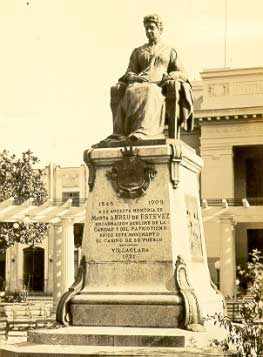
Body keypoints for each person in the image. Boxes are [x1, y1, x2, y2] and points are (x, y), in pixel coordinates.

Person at [106, 14, 193, 142]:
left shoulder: (169, 51)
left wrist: (173, 75)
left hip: (159, 86)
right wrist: (135, 78)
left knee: (150, 91)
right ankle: (119, 133)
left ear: (159, 29)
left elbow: (181, 72)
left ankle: (144, 131)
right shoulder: (138, 51)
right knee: (130, 91)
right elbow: (129, 71)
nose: (149, 31)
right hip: (139, 83)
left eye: (152, 28)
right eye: (146, 28)